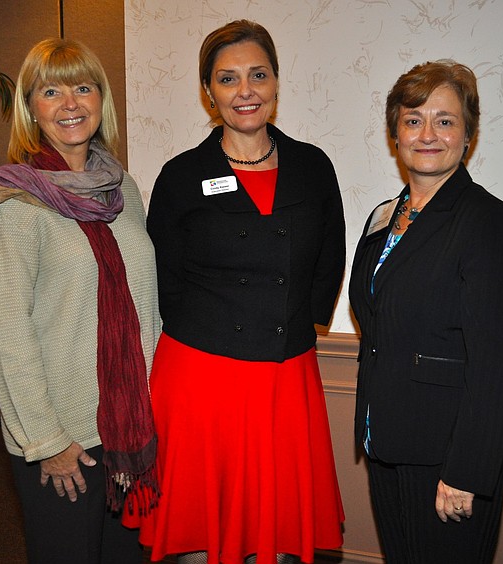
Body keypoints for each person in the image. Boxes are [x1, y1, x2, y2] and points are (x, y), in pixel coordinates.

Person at [123, 19, 346, 564]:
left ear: (275, 82)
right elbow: (163, 278)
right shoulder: (181, 176)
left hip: (283, 375)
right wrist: (200, 336)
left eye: (257, 75)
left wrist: (303, 323)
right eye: (227, 79)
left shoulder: (313, 166)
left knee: (278, 541)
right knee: (202, 539)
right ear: (208, 92)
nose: (245, 91)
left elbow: (330, 258)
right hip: (202, 376)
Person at [0, 38, 160, 564]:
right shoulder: (15, 203)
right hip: (63, 439)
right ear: (31, 108)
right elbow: (6, 332)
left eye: (83, 88)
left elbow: (148, 305)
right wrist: (46, 439)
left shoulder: (122, 188)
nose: (70, 104)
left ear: (101, 100)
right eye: (51, 91)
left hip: (131, 432)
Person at [349, 60, 503, 563]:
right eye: (413, 120)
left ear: (468, 134)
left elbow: (497, 365)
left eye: (445, 120)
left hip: (449, 457)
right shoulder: (382, 218)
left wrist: (466, 472)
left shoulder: (492, 223)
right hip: (387, 441)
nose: (427, 133)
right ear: (395, 134)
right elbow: (379, 322)